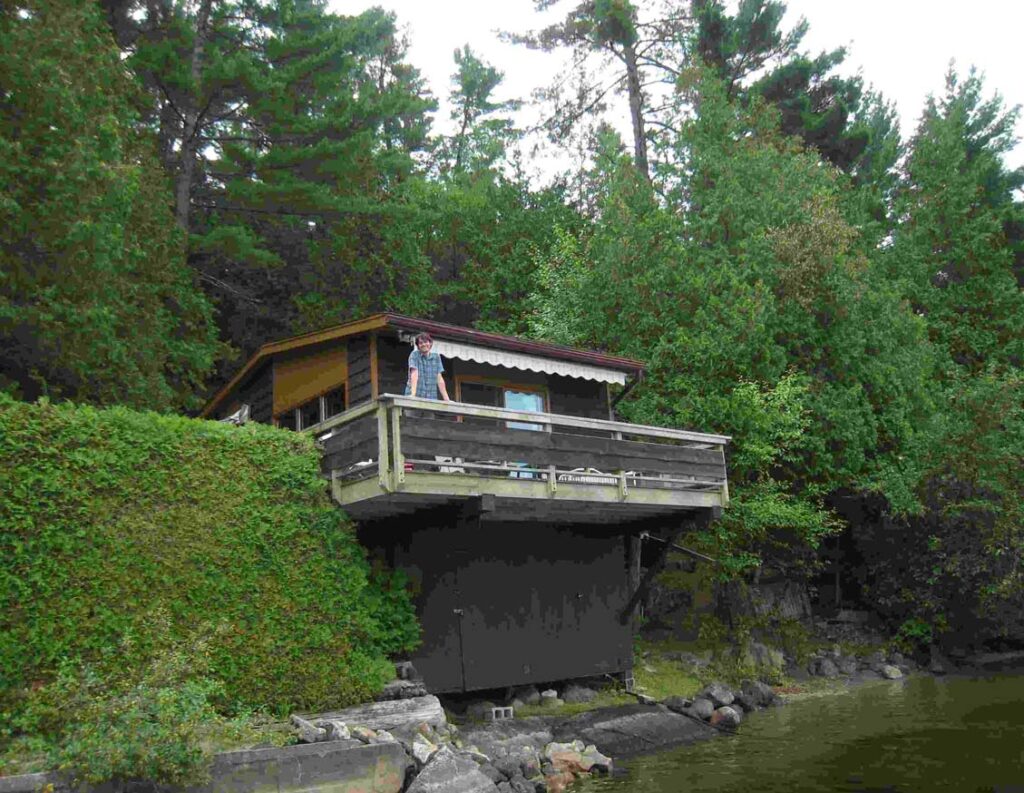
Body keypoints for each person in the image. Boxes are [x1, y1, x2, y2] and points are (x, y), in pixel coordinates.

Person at [406, 332, 451, 403]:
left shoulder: (436, 357)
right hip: (415, 397)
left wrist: (447, 400)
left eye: (425, 342)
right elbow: (414, 374)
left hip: (430, 399)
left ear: (430, 343)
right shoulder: (414, 355)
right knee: (410, 414)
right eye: (420, 343)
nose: (423, 344)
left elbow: (439, 378)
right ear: (418, 346)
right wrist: (412, 395)